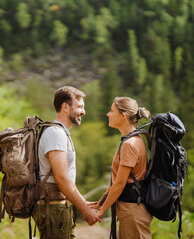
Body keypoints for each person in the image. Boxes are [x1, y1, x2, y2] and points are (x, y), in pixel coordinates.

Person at [32, 86, 101, 239]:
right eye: (80, 107)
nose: (83, 112)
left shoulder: (60, 133)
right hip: (53, 208)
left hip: (57, 207)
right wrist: (84, 209)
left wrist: (84, 203)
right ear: (65, 107)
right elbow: (61, 178)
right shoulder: (55, 134)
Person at [91, 96, 153, 238]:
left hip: (133, 212)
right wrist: (99, 203)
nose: (108, 114)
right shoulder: (133, 139)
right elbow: (115, 181)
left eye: (112, 111)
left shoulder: (129, 144)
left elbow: (120, 183)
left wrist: (100, 213)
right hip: (132, 210)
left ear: (123, 115)